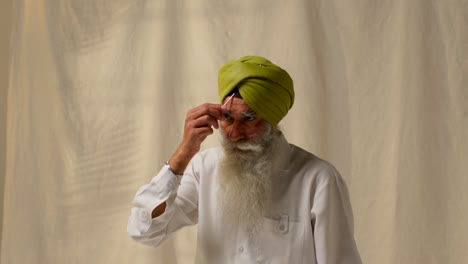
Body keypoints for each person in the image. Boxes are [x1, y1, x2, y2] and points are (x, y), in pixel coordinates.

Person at [127, 56, 362, 264]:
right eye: (228, 118)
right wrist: (183, 154)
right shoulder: (204, 168)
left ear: (273, 120)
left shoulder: (319, 180)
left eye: (249, 119)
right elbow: (145, 230)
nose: (234, 134)